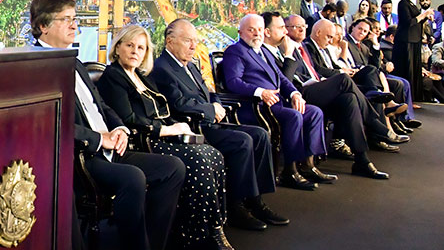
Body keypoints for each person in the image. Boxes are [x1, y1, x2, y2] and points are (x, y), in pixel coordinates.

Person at [30, 0, 187, 250]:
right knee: (133, 177)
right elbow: (52, 122)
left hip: (111, 146)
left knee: (172, 168)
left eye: (75, 20)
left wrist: (118, 127)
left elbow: (100, 105)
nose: (75, 26)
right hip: (81, 158)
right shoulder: (35, 64)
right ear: (43, 26)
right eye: (68, 20)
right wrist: (97, 138)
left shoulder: (72, 60)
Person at [96, 24, 248, 250]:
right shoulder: (113, 76)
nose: (135, 51)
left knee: (213, 155)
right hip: (143, 141)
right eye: (130, 45)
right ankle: (195, 235)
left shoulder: (141, 77)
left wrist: (179, 126)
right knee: (199, 159)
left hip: (163, 134)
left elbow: (164, 108)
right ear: (117, 48)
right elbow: (130, 120)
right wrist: (168, 129)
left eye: (141, 47)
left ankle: (214, 229)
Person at [150, 19, 288, 234]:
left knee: (260, 134)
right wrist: (210, 110)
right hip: (193, 128)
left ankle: (255, 200)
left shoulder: (190, 65)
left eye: (195, 41)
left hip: (211, 123)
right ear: (170, 41)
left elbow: (210, 93)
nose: (194, 46)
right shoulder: (161, 68)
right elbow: (178, 104)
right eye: (188, 41)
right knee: (242, 141)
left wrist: (218, 106)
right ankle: (236, 206)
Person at [276, 15, 391, 178]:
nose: (302, 29)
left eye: (303, 26)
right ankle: (374, 121)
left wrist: (327, 79)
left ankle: (362, 160)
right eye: (295, 27)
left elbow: (316, 70)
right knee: (344, 80)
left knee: (349, 99)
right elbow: (285, 81)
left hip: (315, 87)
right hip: (298, 93)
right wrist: (288, 55)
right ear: (285, 30)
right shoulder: (282, 48)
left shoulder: (303, 47)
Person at [222, 14, 326, 191]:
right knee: (293, 116)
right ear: (240, 32)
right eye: (251, 30)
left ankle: (308, 165)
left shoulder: (264, 51)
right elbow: (233, 82)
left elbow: (282, 79)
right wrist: (260, 92)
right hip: (256, 107)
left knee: (314, 112)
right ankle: (290, 171)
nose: (257, 34)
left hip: (278, 104)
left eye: (260, 30)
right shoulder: (235, 51)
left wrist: (294, 94)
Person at [394, 0, 435, 100]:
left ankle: (414, 97)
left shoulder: (412, 4)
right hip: (406, 41)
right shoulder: (403, 4)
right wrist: (423, 14)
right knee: (408, 70)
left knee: (415, 70)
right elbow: (408, 22)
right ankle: (406, 99)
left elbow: (417, 21)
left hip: (415, 41)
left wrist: (426, 17)